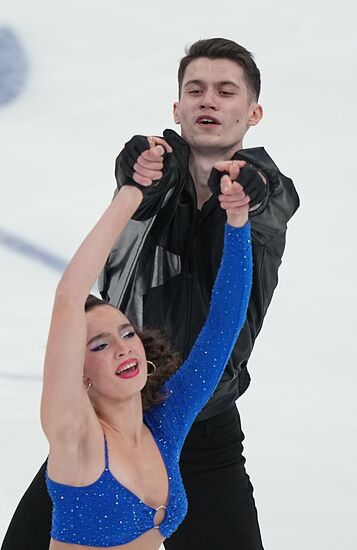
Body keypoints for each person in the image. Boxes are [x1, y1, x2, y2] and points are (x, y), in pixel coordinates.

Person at [1, 38, 299, 550]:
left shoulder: (265, 197)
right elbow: (139, 187)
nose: (208, 100)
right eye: (195, 89)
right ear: (177, 108)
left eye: (225, 91)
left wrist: (246, 199)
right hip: (109, 422)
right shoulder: (151, 178)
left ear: (253, 112)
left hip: (200, 425)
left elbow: (268, 203)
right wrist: (136, 177)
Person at [3, 137, 253, 550]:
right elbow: (69, 297)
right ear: (78, 372)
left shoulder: (163, 427)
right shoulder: (76, 437)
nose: (123, 347)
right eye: (98, 346)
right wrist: (132, 193)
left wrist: (239, 222)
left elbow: (223, 327)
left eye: (125, 332)